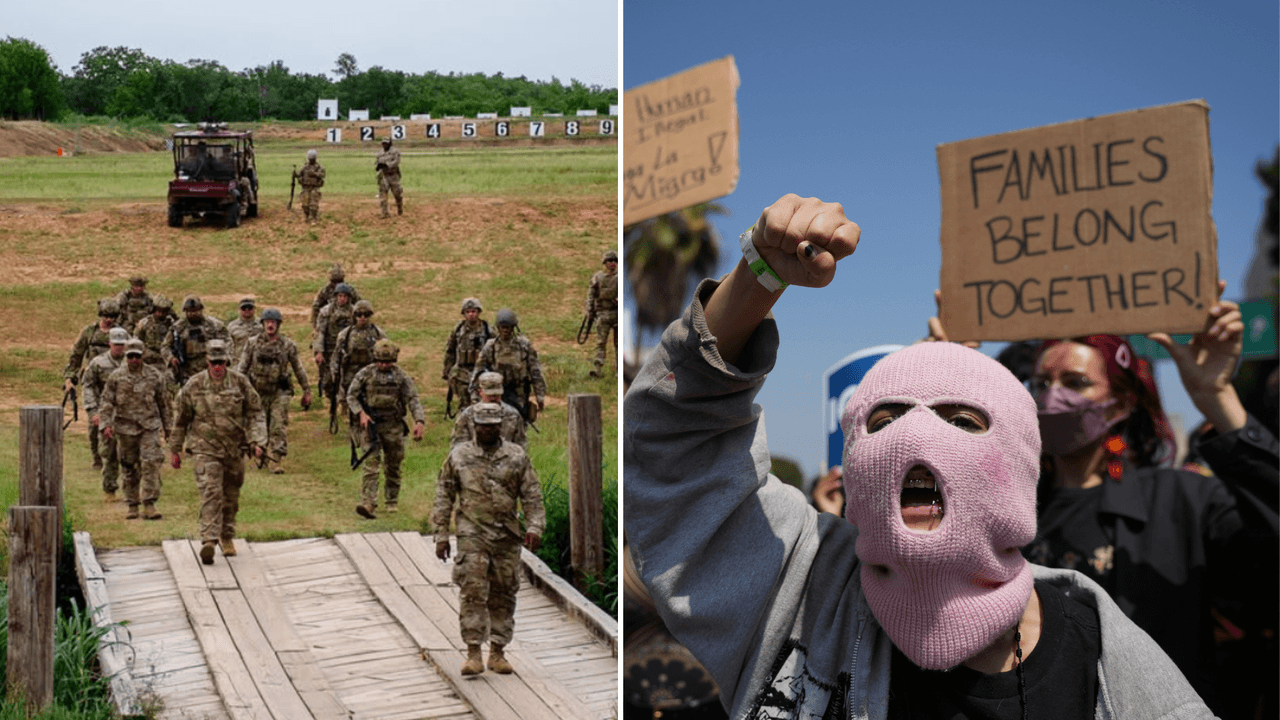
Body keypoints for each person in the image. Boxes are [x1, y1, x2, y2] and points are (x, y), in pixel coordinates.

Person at [625, 194, 1213, 719]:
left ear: (1017, 464)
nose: (917, 437)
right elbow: (670, 446)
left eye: (961, 420)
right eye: (887, 419)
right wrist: (759, 276)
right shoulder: (798, 588)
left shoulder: (1106, 657)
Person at [1020, 318, 1278, 716]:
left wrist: (1218, 398)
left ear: (1121, 404)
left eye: (1075, 383)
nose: (1052, 398)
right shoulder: (1012, 509)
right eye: (1040, 384)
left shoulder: (1183, 500)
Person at [432, 402, 544, 676]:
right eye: (482, 426)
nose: (487, 431)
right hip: (472, 532)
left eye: (492, 426)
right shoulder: (459, 456)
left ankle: (497, 651)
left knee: (504, 592)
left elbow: (531, 494)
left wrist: (535, 527)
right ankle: (473, 652)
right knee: (472, 591)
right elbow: (444, 494)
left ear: (500, 427)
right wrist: (441, 535)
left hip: (506, 535)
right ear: (474, 427)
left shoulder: (516, 456)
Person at [169, 339, 266, 565]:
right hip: (205, 449)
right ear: (207, 361)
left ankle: (227, 536)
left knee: (230, 496)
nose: (217, 366)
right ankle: (209, 540)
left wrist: (257, 441)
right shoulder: (193, 386)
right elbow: (181, 420)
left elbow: (255, 413)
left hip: (234, 449)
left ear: (227, 361)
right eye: (213, 362)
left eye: (221, 362)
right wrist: (175, 449)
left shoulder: (240, 384)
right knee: (211, 491)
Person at [346, 340, 425, 518]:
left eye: (388, 362)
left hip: (394, 425)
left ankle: (392, 500)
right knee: (371, 465)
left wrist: (419, 421)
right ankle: (368, 503)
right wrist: (361, 413)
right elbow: (351, 395)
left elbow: (413, 398)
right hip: (371, 425)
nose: (383, 365)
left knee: (393, 464)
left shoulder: (401, 377)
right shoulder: (365, 374)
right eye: (380, 361)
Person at [100, 339, 171, 520]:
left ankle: (149, 503)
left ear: (142, 356)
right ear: (126, 356)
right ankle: (132, 503)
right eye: (130, 356)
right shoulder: (116, 376)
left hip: (149, 427)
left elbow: (164, 404)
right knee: (129, 466)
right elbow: (107, 401)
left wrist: (169, 429)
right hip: (125, 428)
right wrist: (105, 424)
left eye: (137, 356)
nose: (133, 360)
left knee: (151, 463)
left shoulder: (154, 376)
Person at [235, 308, 312, 474]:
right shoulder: (252, 343)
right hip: (257, 392)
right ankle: (259, 453)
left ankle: (276, 460)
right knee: (259, 426)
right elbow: (242, 367)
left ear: (278, 324)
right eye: (267, 322)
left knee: (278, 425)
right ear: (262, 324)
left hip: (279, 392)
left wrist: (307, 390)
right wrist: (237, 389)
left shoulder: (288, 345)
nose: (270, 325)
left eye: (273, 322)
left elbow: (298, 368)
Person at [63, 297, 120, 469]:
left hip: (115, 383)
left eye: (112, 316)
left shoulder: (120, 333)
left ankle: (112, 457)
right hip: (93, 383)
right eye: (106, 316)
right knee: (94, 423)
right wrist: (69, 379)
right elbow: (76, 356)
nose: (109, 319)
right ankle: (96, 458)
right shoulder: (89, 332)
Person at [470, 308, 545, 423]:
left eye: (508, 327)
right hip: (497, 393)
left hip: (519, 394)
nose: (505, 331)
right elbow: (478, 370)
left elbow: (535, 371)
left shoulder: (523, 346)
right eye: (502, 327)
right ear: (498, 328)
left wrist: (539, 395)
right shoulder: (491, 346)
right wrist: (474, 394)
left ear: (513, 327)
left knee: (518, 425)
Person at [83, 327, 129, 502]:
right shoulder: (98, 363)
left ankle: (131, 490)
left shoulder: (132, 363)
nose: (119, 348)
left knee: (130, 454)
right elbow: (88, 386)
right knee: (109, 453)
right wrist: (93, 411)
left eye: (122, 344)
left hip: (128, 414)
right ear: (110, 343)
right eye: (116, 344)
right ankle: (110, 490)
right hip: (107, 413)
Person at [331, 299, 385, 426]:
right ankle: (347, 410)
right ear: (354, 316)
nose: (362, 318)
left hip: (370, 368)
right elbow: (336, 356)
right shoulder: (345, 334)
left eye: (366, 315)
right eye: (359, 315)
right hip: (351, 369)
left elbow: (387, 350)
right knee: (349, 391)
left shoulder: (377, 333)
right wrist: (335, 373)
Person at [313, 283, 357, 423]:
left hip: (348, 351)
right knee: (327, 381)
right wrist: (319, 351)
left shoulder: (354, 312)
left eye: (345, 296)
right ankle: (332, 400)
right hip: (330, 350)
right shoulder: (326, 311)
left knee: (347, 380)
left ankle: (345, 406)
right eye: (340, 296)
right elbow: (320, 332)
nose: (342, 299)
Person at [162, 295, 230, 386]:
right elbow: (165, 346)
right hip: (186, 369)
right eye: (190, 311)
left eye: (196, 310)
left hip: (211, 367)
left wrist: (226, 358)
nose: (193, 313)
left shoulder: (214, 325)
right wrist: (171, 359)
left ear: (201, 309)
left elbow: (227, 341)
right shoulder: (178, 328)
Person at [442, 298, 492, 415]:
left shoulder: (486, 329)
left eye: (473, 311)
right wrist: (447, 371)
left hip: (481, 372)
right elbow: (450, 351)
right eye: (468, 311)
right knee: (464, 404)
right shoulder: (459, 329)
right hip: (462, 373)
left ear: (479, 312)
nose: (471, 314)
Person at [451, 371, 526, 448]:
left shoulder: (512, 415)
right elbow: (458, 446)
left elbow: (520, 445)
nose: (493, 398)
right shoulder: (468, 415)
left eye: (496, 394)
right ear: (480, 391)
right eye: (489, 394)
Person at [586, 249, 619, 378]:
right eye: (609, 261)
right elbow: (591, 296)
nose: (612, 263)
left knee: (618, 345)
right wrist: (590, 312)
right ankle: (598, 369)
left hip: (616, 315)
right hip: (603, 315)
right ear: (604, 263)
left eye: (614, 260)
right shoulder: (598, 277)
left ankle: (618, 371)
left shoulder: (619, 277)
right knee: (600, 343)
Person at [134, 295, 176, 372]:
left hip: (166, 356)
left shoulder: (171, 323)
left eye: (164, 311)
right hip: (148, 357)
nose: (161, 314)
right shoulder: (145, 323)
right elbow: (136, 339)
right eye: (159, 311)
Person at [310, 264, 360, 328]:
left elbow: (359, 304)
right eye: (334, 282)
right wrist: (315, 326)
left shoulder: (349, 290)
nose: (336, 284)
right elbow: (316, 306)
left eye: (339, 282)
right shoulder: (326, 290)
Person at [226, 297, 262, 367]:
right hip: (238, 364)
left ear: (254, 309)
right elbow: (227, 345)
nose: (247, 310)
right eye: (244, 308)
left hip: (257, 364)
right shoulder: (232, 326)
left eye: (250, 308)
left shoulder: (261, 325)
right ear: (239, 310)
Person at [295, 149, 326, 223]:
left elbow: (323, 175)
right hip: (305, 188)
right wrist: (295, 175)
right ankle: (307, 216)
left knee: (313, 205)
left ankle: (313, 218)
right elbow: (300, 174)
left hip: (314, 188)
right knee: (305, 205)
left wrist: (314, 174)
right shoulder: (305, 167)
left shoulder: (318, 167)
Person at [375, 137, 403, 218]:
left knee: (397, 193)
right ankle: (384, 213)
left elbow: (396, 162)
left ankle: (399, 207)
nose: (384, 145)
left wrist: (387, 165)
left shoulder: (395, 151)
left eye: (386, 143)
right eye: (383, 143)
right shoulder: (380, 153)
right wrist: (378, 166)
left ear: (390, 144)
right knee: (383, 194)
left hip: (393, 175)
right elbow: (377, 162)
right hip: (384, 176)